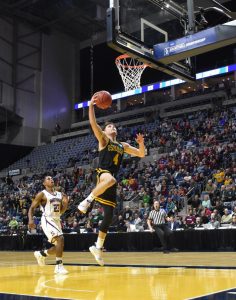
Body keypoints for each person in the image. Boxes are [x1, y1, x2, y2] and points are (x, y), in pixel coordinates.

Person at [78, 93, 145, 266]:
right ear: (105, 131)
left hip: (110, 179)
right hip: (102, 173)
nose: (112, 127)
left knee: (109, 216)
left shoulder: (123, 146)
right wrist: (91, 106)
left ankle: (98, 247)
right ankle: (87, 200)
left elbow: (142, 154)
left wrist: (141, 143)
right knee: (112, 180)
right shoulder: (103, 140)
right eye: (109, 126)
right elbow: (93, 123)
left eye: (114, 126)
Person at [28, 175, 68, 274]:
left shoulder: (60, 194)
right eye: (48, 179)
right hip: (47, 219)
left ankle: (41, 254)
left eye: (52, 178)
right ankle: (59, 266)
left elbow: (61, 211)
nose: (51, 180)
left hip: (57, 220)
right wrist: (30, 220)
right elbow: (31, 208)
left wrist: (65, 204)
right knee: (60, 239)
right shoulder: (42, 194)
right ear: (44, 183)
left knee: (59, 245)